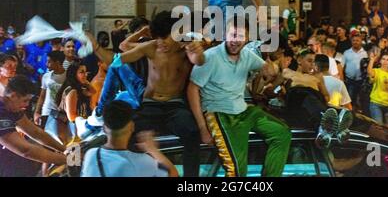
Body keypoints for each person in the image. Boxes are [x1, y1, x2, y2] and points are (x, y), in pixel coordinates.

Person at [88, 11, 204, 177]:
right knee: (129, 135)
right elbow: (118, 59)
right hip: (150, 104)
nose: (161, 42)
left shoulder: (187, 49)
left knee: (193, 134)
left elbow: (199, 60)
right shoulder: (151, 47)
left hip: (175, 106)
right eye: (157, 37)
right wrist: (97, 48)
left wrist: (197, 53)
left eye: (165, 37)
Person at [188, 17, 291, 177]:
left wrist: (271, 70)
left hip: (244, 111)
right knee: (236, 171)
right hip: (220, 115)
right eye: (233, 35)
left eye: (241, 36)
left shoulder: (247, 55)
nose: (236, 40)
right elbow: (192, 90)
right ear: (224, 35)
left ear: (247, 39)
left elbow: (267, 70)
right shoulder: (210, 57)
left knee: (282, 133)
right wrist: (203, 128)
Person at [81, 100, 177, 177]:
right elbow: (173, 174)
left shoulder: (91, 155)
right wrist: (152, 149)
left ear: (104, 128)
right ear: (132, 127)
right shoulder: (142, 162)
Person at [0, 75, 66, 177]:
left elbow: (35, 132)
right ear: (13, 96)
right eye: (25, 100)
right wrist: (69, 159)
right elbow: (26, 150)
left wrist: (65, 150)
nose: (27, 105)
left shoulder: (12, 107)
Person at [55, 60, 95, 143]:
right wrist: (86, 122)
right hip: (74, 131)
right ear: (74, 74)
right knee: (74, 155)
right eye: (82, 72)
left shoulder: (79, 88)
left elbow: (93, 92)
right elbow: (71, 116)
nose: (85, 74)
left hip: (78, 129)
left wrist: (86, 83)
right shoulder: (73, 91)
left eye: (86, 72)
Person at [33, 51, 67, 135]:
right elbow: (42, 95)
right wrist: (37, 112)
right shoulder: (46, 76)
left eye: (49, 61)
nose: (46, 64)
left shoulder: (68, 76)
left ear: (58, 62)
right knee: (46, 139)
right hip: (47, 112)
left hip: (63, 114)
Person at [367, 52, 388, 127]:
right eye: (383, 59)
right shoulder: (377, 71)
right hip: (376, 103)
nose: (385, 61)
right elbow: (369, 72)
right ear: (380, 61)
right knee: (379, 127)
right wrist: (372, 60)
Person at [342, 34, 368, 112]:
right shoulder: (346, 52)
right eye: (354, 40)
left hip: (361, 81)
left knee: (360, 101)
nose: (355, 42)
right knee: (349, 100)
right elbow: (342, 66)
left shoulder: (365, 53)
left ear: (361, 42)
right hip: (349, 80)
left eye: (357, 40)